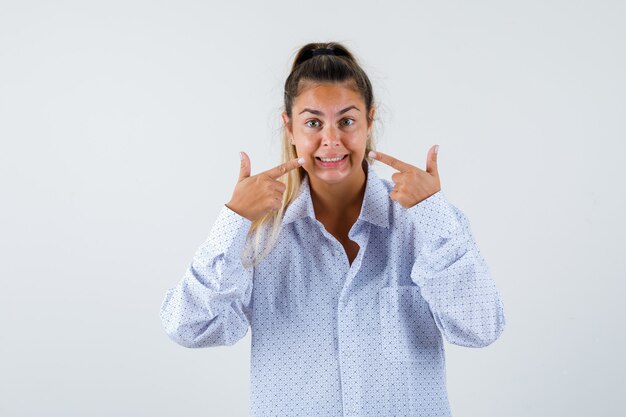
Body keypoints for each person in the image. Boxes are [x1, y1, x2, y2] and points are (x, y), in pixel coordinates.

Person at [160, 42, 506, 417]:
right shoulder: (260, 236)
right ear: (289, 127)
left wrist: (433, 215)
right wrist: (233, 219)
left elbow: (480, 329)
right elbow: (189, 328)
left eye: (347, 121)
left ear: (369, 122)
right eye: (313, 122)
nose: (331, 140)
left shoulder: (424, 223)